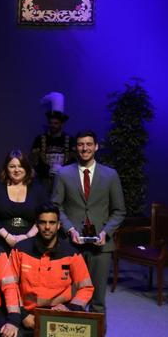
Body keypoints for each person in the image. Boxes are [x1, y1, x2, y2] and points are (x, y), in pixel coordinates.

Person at [52, 131, 125, 315]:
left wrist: (105, 232)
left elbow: (119, 210)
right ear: (76, 147)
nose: (85, 148)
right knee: (71, 298)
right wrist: (69, 229)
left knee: (98, 300)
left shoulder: (110, 175)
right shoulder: (63, 174)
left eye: (89, 144)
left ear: (96, 146)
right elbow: (56, 206)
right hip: (72, 244)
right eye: (81, 144)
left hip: (101, 246)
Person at [10, 203, 93, 337]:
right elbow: (10, 286)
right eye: (43, 222)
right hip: (28, 315)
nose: (47, 227)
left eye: (52, 223)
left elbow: (86, 288)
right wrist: (22, 315)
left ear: (59, 225)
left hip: (60, 314)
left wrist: (70, 308)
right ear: (37, 225)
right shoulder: (20, 250)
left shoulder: (71, 253)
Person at [0, 150, 50, 252]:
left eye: (20, 166)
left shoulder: (38, 188)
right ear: (6, 168)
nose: (17, 170)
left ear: (26, 168)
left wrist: (27, 236)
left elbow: (44, 215)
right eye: (12, 166)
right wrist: (7, 236)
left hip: (31, 240)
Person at [30, 93, 76, 182]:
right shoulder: (40, 139)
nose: (53, 125)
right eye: (51, 123)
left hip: (65, 180)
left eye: (56, 123)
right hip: (44, 180)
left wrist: (62, 170)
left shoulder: (70, 140)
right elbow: (34, 160)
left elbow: (74, 161)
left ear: (61, 124)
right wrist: (47, 170)